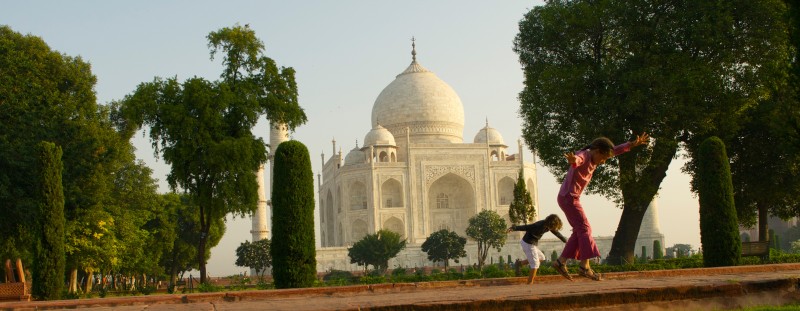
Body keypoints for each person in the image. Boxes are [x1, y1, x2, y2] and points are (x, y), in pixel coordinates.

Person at [551, 133, 650, 281]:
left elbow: (615, 150)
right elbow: (578, 159)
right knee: (585, 229)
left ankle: (561, 262)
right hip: (568, 198)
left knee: (580, 230)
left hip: (569, 197)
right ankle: (585, 266)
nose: (603, 162)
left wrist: (632, 144)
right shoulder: (583, 155)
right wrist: (573, 161)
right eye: (603, 158)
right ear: (597, 151)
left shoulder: (595, 154)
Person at [507, 214, 567, 284]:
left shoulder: (548, 226)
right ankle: (530, 283)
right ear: (552, 223)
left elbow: (557, 233)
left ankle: (520, 264)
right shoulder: (539, 225)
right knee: (535, 264)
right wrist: (513, 228)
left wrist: (566, 241)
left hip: (532, 244)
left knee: (541, 257)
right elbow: (526, 227)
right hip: (528, 243)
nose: (554, 228)